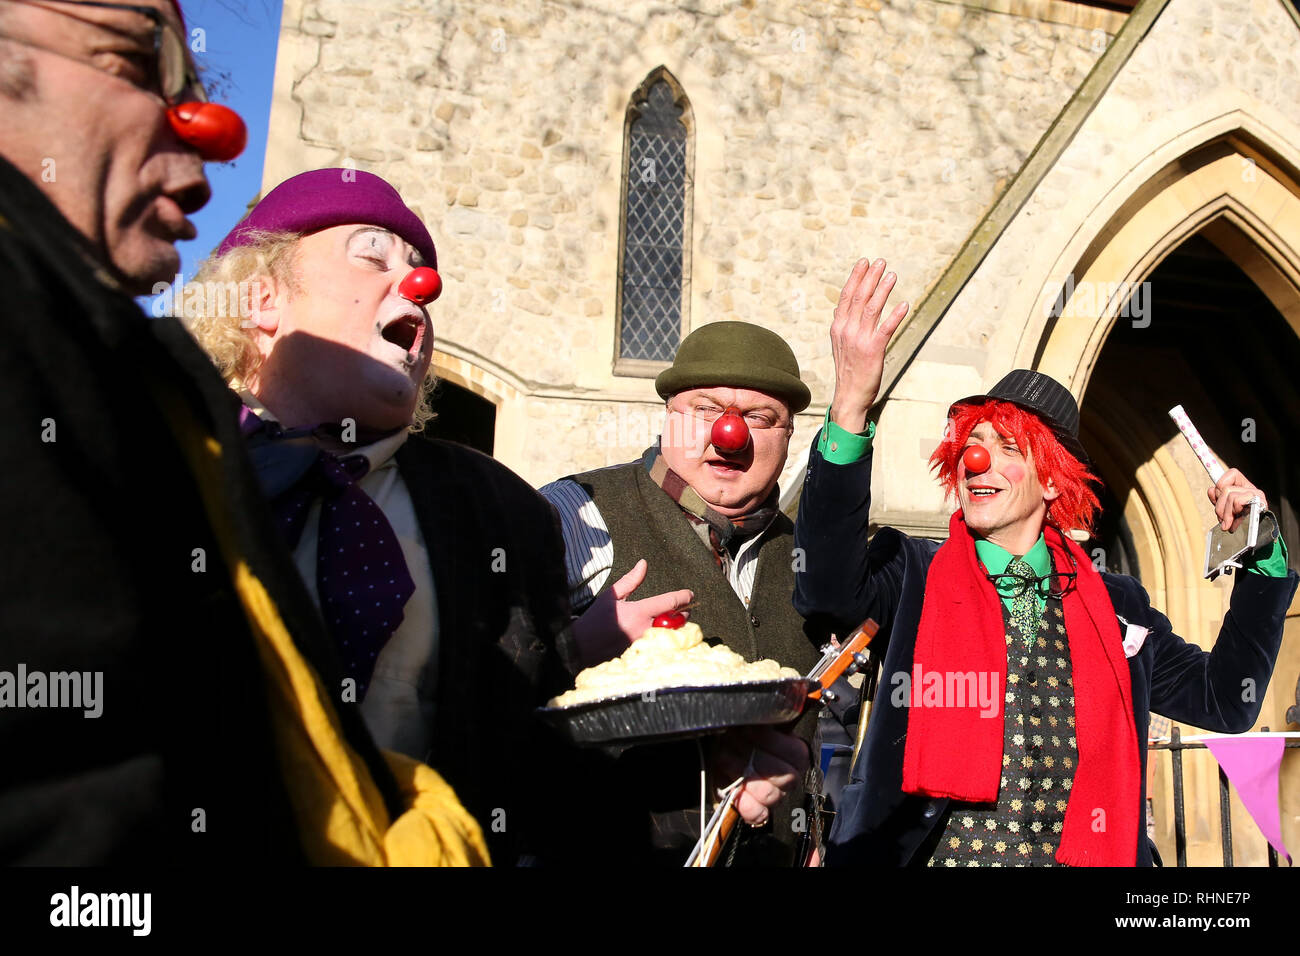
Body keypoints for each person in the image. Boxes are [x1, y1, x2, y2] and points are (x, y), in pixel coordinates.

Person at [0, 0, 484, 865]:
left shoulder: (492, 514)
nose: (206, 135)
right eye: (134, 58)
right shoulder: (125, 406)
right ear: (259, 300)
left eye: (418, 271)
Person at [793, 258, 1298, 866]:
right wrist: (849, 407)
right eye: (971, 446)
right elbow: (822, 585)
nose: (977, 463)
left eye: (1007, 448)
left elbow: (1226, 701)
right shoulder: (912, 573)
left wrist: (1263, 554)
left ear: (1053, 483)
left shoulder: (1118, 606)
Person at [187, 168, 576, 865]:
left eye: (422, 272)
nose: (418, 288)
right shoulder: (165, 460)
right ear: (262, 299)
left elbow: (532, 751)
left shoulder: (506, 515)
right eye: (372, 257)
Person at [541, 322, 831, 866]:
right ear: (668, 415)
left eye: (760, 418)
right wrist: (572, 649)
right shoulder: (574, 513)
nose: (729, 434)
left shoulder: (811, 561)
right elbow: (481, 694)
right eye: (706, 408)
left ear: (789, 437)